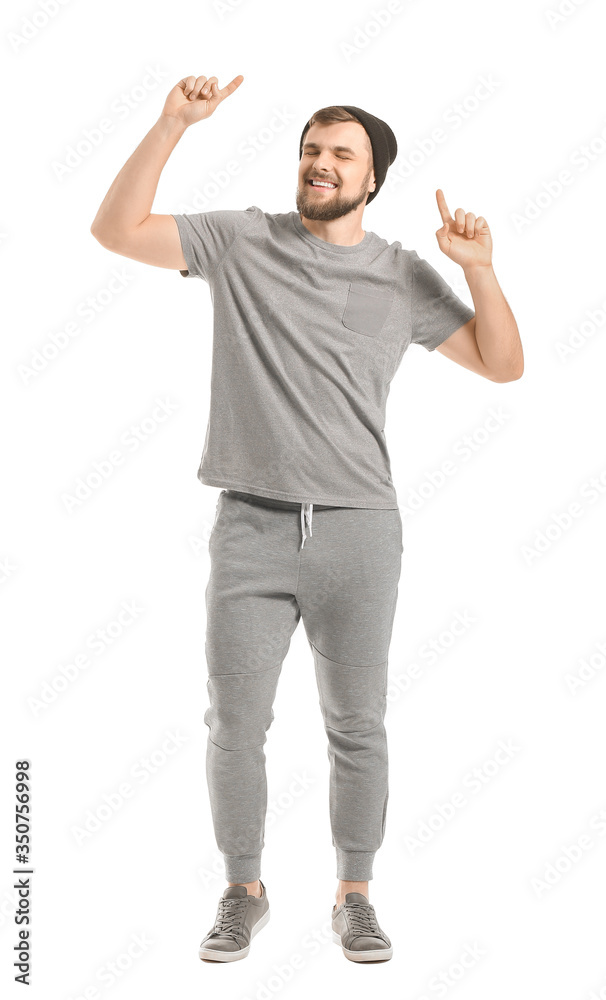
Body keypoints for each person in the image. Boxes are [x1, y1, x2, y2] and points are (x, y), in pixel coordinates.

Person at [91, 73, 523, 965]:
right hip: (250, 526)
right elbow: (115, 230)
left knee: (357, 722)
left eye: (342, 155)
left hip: (361, 529)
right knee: (234, 723)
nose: (320, 165)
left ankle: (355, 897)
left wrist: (479, 269)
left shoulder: (403, 273)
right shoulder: (243, 241)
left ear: (373, 181)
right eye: (312, 150)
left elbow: (501, 363)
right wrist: (174, 121)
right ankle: (241, 890)